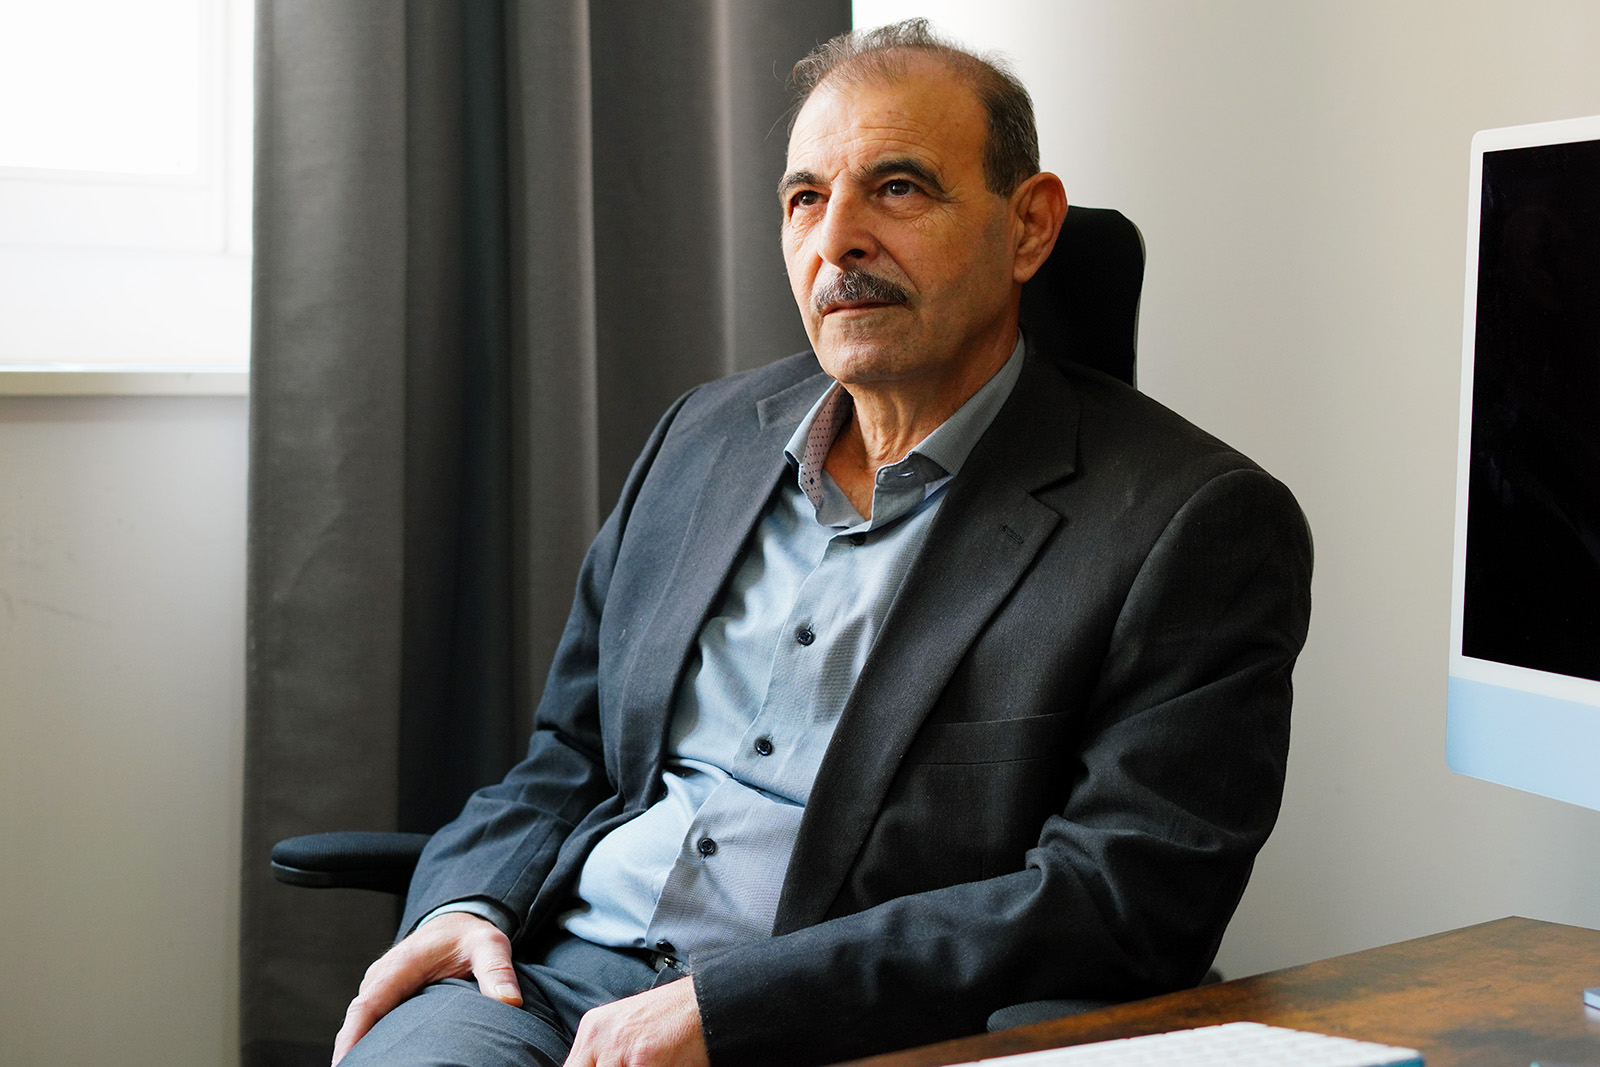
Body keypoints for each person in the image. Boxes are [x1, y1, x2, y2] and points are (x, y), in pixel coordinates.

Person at [332, 19, 1312, 1067]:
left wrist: (733, 1007)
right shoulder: (701, 438)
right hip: (543, 981)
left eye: (896, 188)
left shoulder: (1194, 524)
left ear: (1028, 227)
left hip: (837, 1024)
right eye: (805, 198)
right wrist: (467, 898)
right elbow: (570, 754)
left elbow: (1119, 899)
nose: (835, 239)